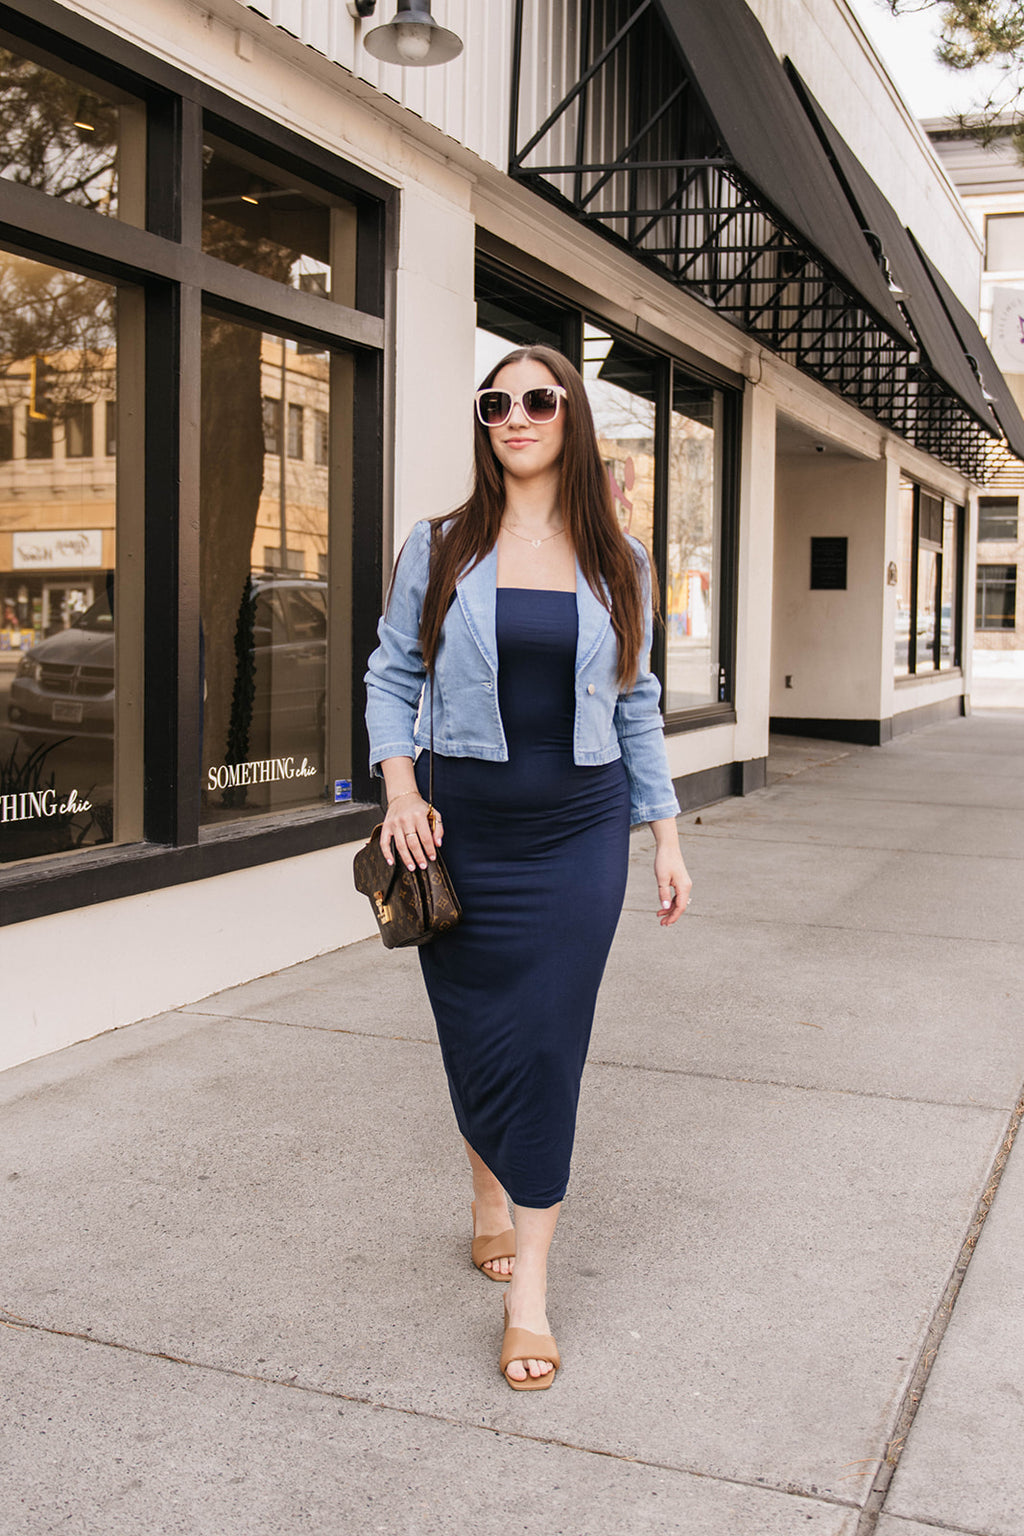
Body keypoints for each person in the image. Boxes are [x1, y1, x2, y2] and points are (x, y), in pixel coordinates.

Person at [364, 344, 691, 1390]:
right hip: (458, 832)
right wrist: (401, 790)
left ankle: (531, 1293)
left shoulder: (619, 561)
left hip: (577, 833)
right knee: (477, 1035)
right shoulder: (443, 545)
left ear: (570, 417)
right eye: (494, 401)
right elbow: (389, 673)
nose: (514, 415)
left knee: (547, 1045)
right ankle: (483, 1198)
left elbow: (635, 706)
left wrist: (666, 836)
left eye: (536, 400)